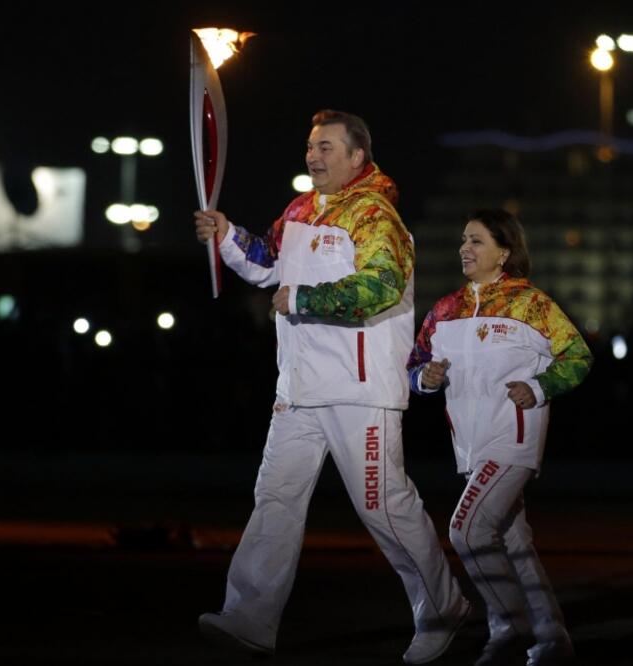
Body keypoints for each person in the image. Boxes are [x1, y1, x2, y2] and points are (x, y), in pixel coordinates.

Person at [193, 110, 470, 664]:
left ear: (356, 157)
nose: (312, 156)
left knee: (383, 507)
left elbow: (380, 287)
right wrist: (226, 235)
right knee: (275, 501)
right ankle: (248, 619)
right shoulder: (300, 210)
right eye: (310, 146)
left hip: (359, 390)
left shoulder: (376, 217)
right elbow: (267, 262)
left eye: (325, 147)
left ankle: (442, 609)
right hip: (298, 389)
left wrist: (302, 299)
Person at [407, 209, 593, 666]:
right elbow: (414, 366)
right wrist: (425, 379)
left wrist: (538, 386)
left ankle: (508, 623)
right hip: (470, 447)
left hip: (513, 441)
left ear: (503, 252)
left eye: (476, 242)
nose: (464, 249)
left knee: (466, 529)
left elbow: (578, 356)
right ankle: (552, 640)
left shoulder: (531, 305)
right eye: (463, 241)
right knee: (513, 542)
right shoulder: (444, 311)